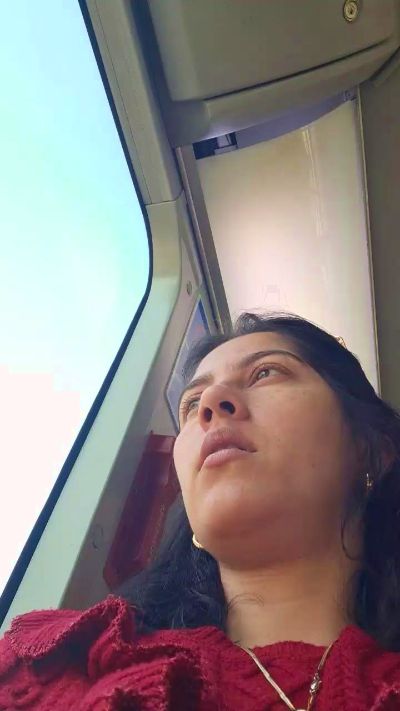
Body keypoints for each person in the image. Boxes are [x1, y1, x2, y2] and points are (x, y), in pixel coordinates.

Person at [1, 312, 400, 710]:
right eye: (191, 404)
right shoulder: (53, 665)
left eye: (265, 373)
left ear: (370, 450)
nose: (209, 403)